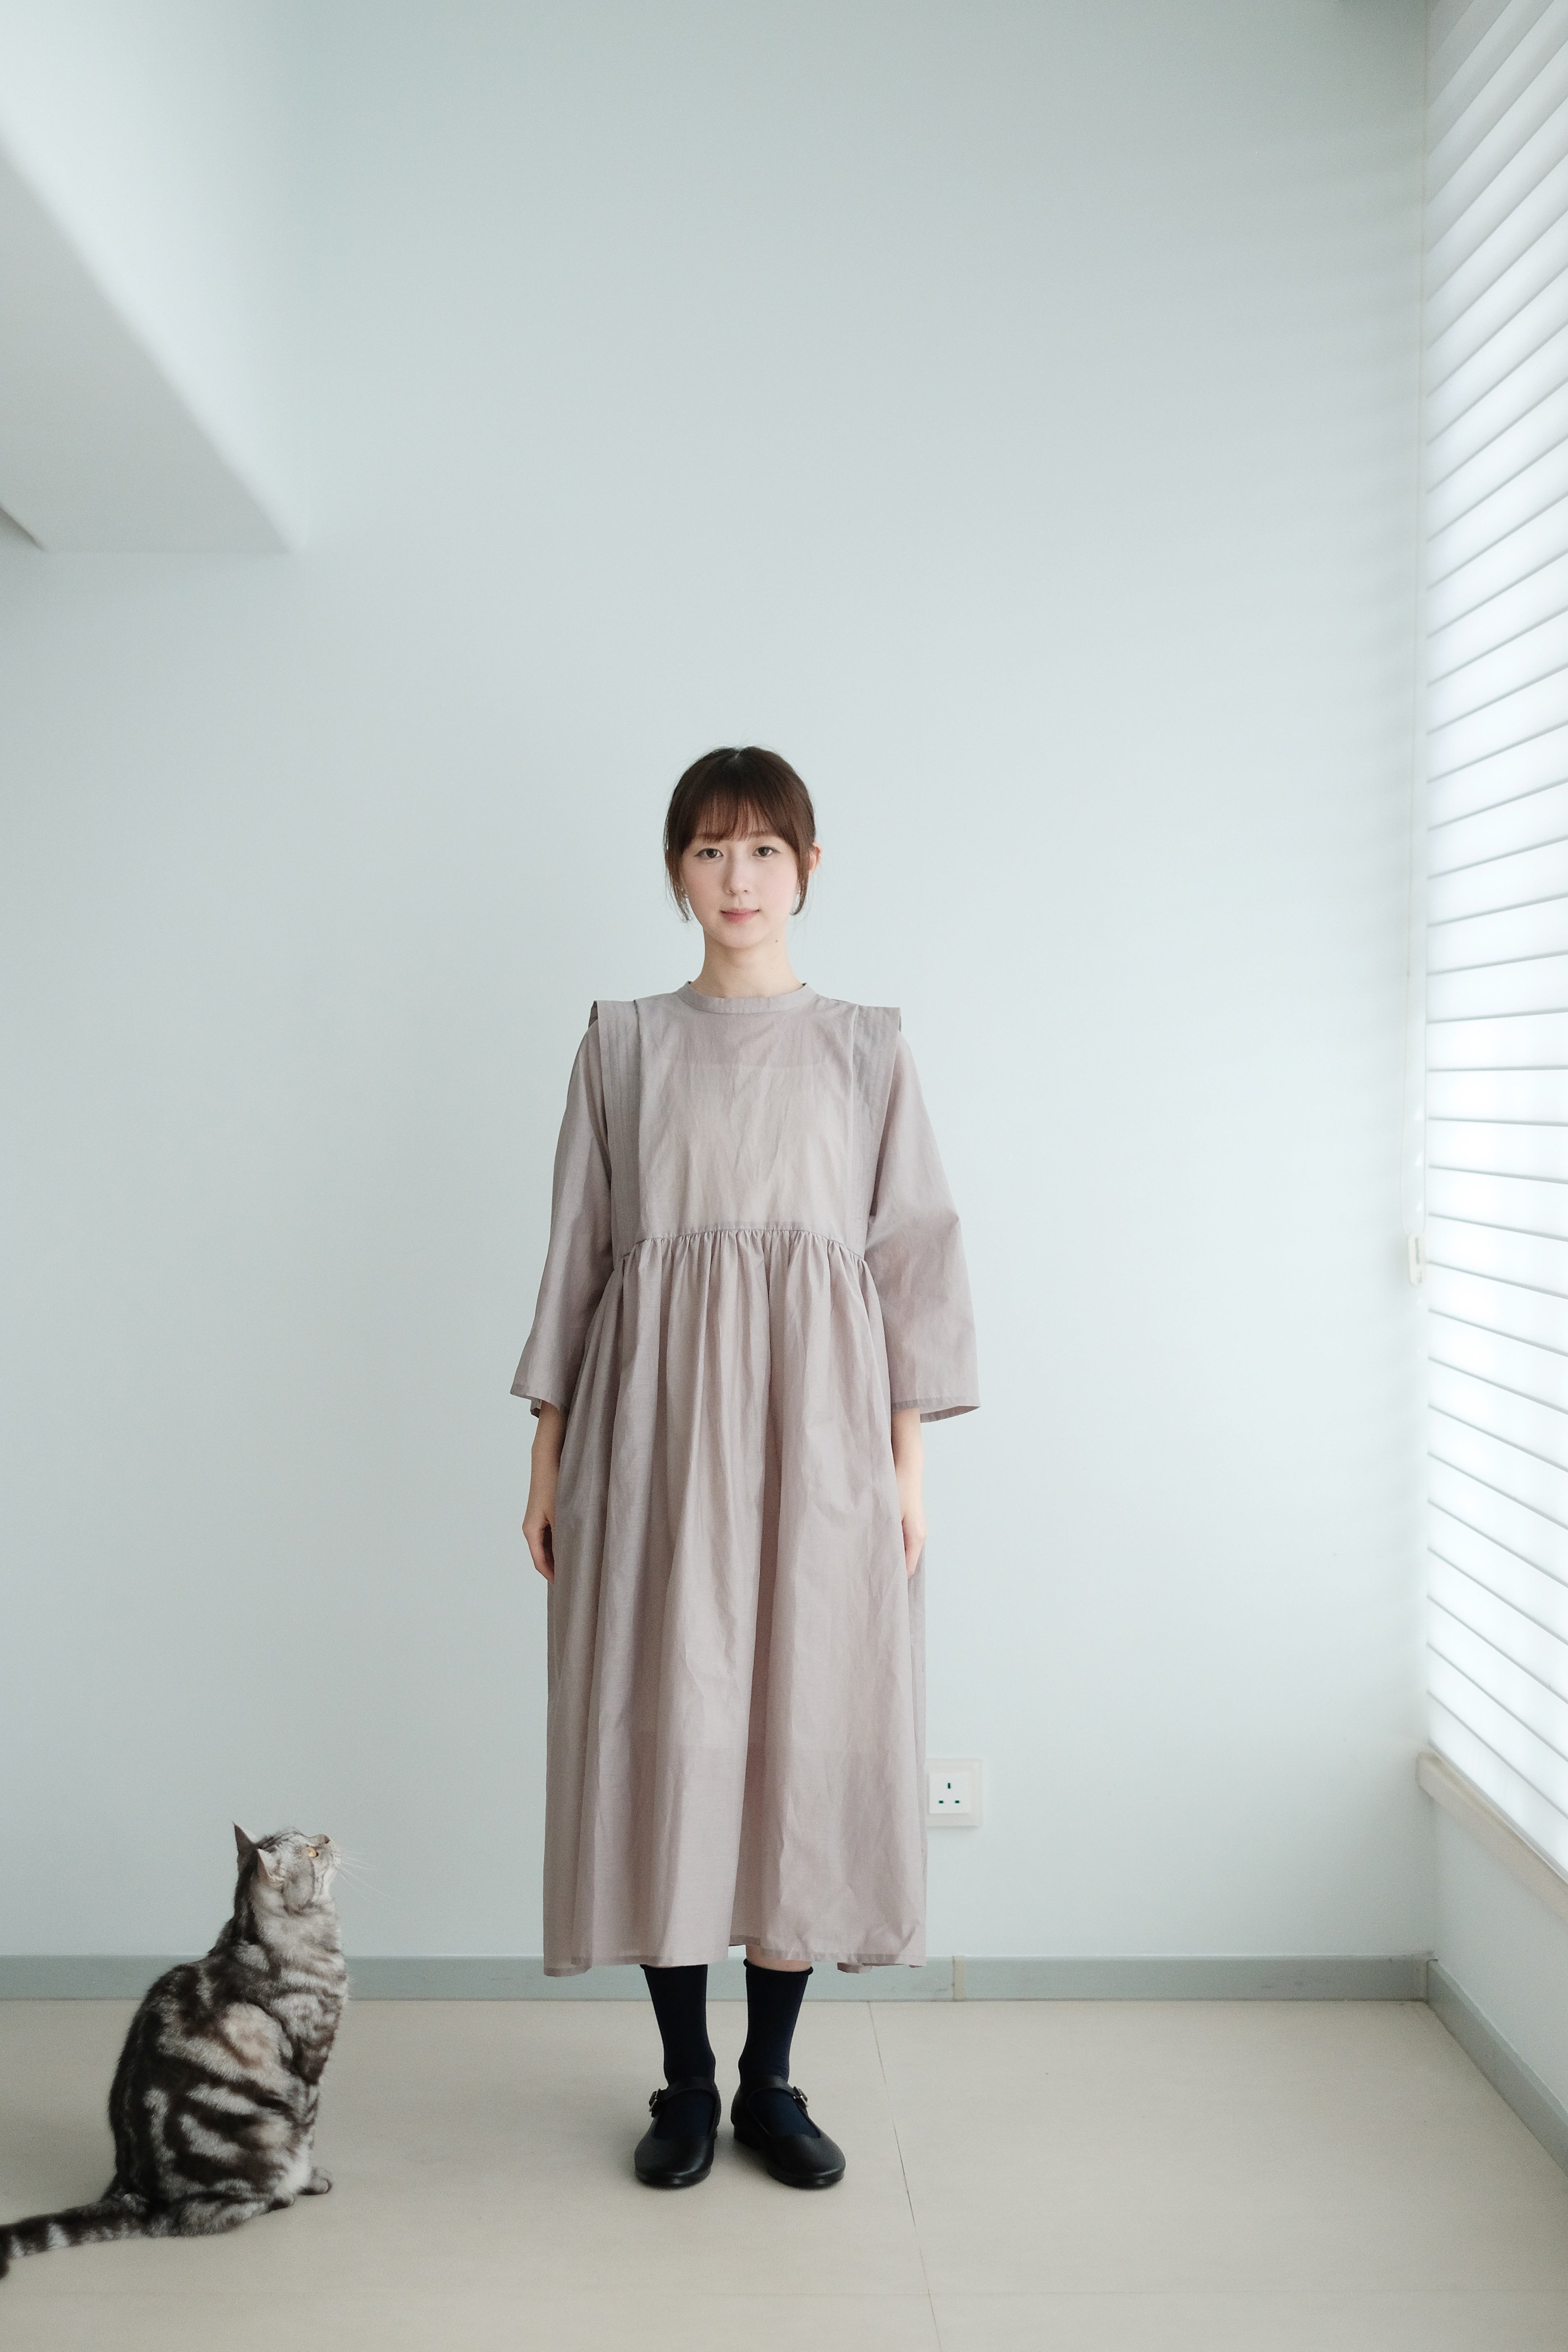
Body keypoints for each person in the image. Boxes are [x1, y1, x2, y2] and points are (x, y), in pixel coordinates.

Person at [515, 745, 979, 2191]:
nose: (738, 879)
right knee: (668, 1733)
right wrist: (546, 1450)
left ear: (808, 867)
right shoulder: (623, 1044)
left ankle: (772, 2080)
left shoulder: (866, 1047)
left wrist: (908, 1470)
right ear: (676, 871)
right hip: (651, 1440)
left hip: (820, 1438)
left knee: (804, 1731)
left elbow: (911, 1261)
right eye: (710, 851)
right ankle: (685, 2083)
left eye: (764, 850)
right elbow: (580, 1254)